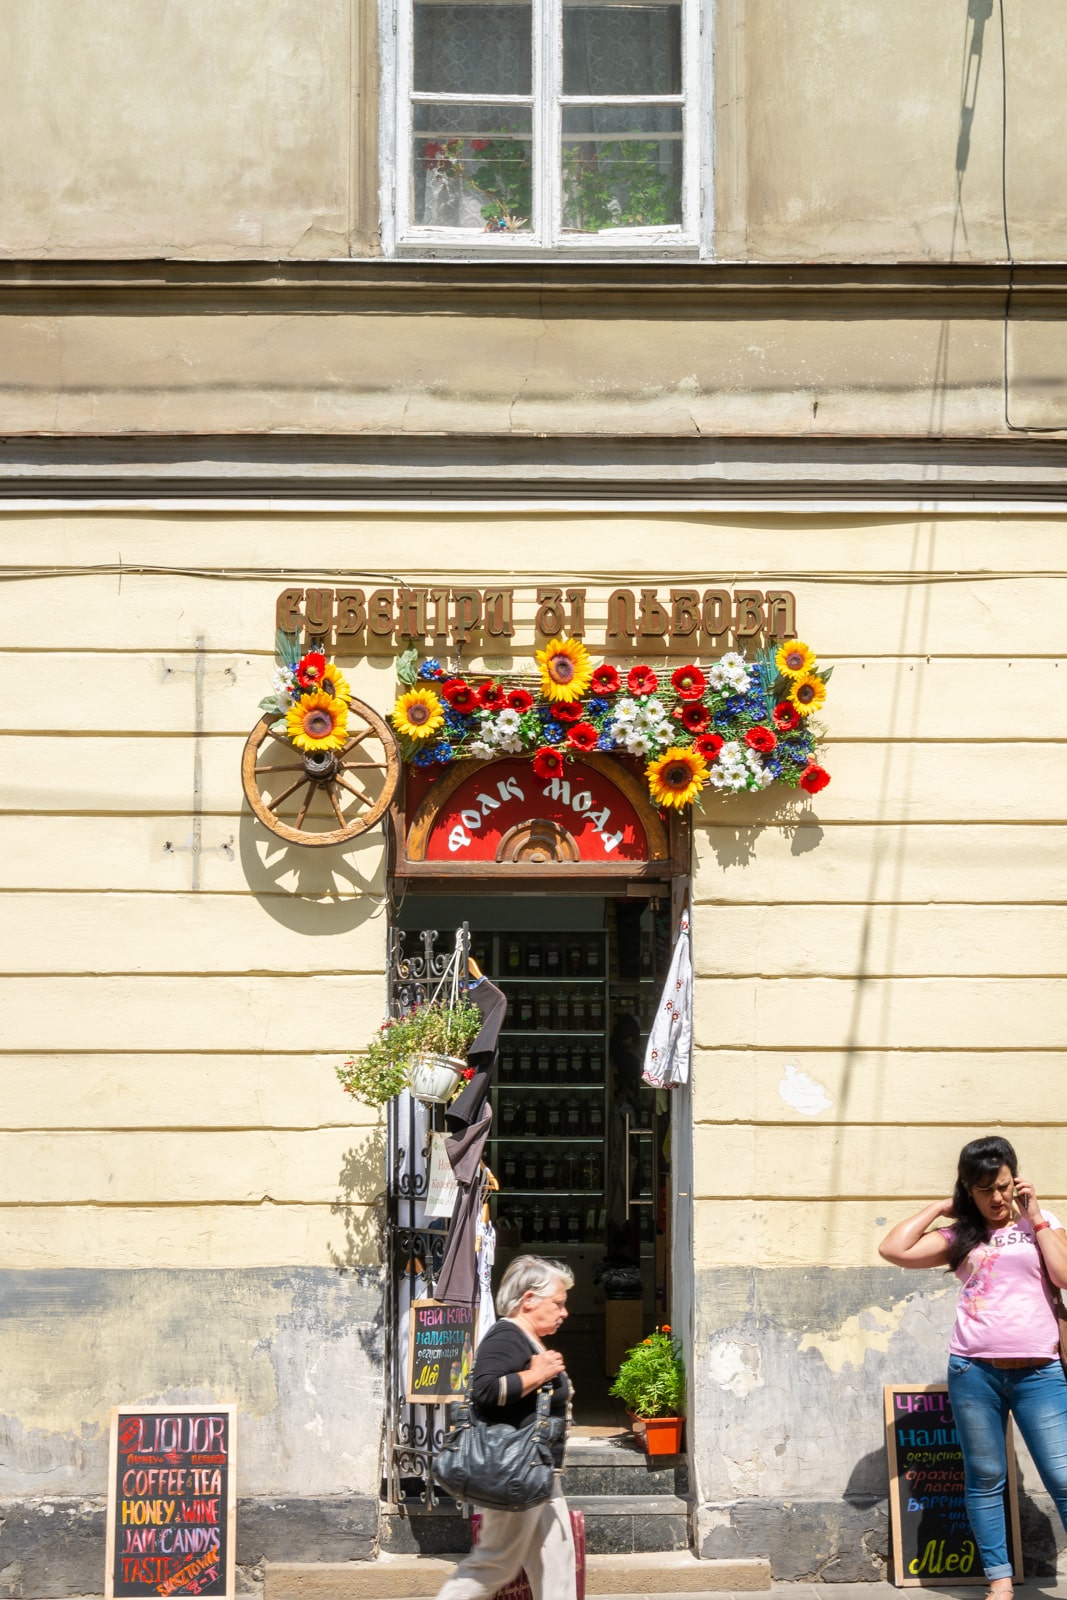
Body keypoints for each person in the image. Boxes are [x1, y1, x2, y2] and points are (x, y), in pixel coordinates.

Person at [879, 1135, 1067, 1600]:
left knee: (1063, 1477)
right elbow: (893, 1249)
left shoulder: (1042, 1225)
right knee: (985, 1476)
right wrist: (944, 1207)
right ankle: (999, 1583)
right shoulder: (960, 1236)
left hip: (1040, 1372)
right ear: (969, 1189)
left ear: (1017, 1180)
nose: (998, 1198)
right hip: (973, 1373)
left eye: (1004, 1186)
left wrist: (1037, 1215)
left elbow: (1064, 1276)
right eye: (985, 1190)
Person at [436, 1255, 576, 1600]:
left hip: (536, 1470)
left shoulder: (525, 1339)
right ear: (529, 1300)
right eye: (558, 1303)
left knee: (557, 1561)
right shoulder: (506, 1335)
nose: (564, 1312)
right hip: (513, 1470)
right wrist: (539, 1373)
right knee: (494, 1563)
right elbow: (486, 1390)